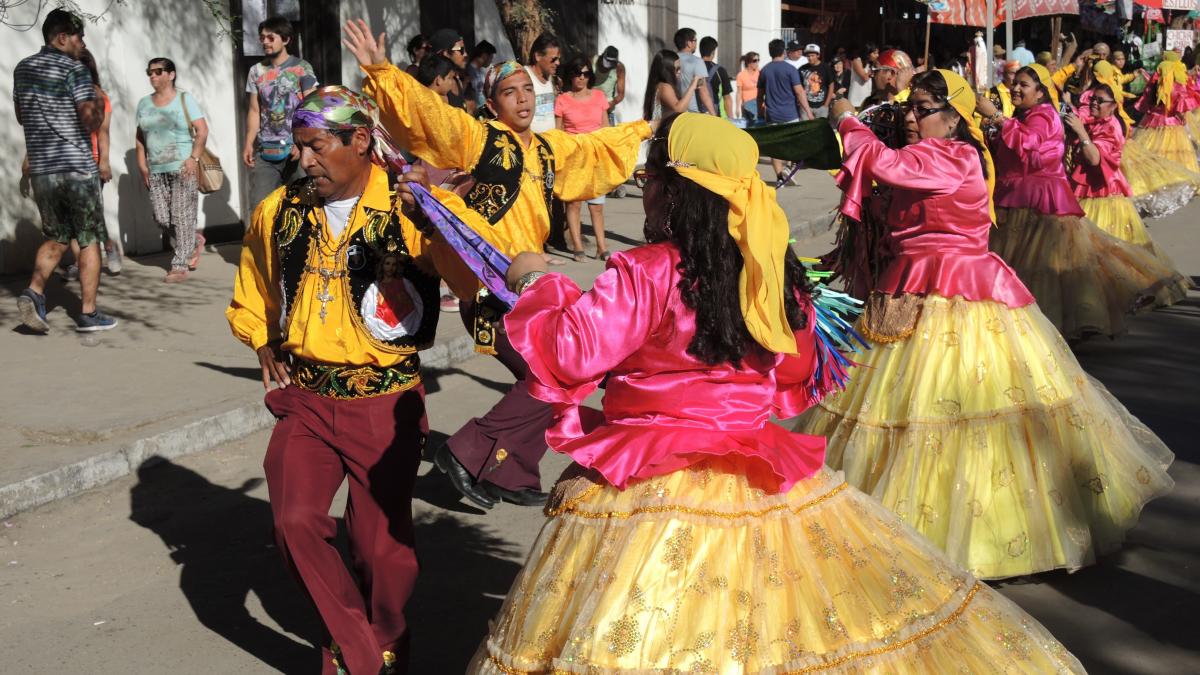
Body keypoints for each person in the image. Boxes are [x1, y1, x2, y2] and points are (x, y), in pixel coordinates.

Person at [466, 111, 1086, 674]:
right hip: (753, 465)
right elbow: (795, 374)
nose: (647, 188)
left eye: (653, 175)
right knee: (763, 624)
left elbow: (571, 350)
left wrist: (537, 283)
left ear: (678, 188)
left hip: (647, 473)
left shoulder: (648, 271)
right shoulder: (771, 273)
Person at [796, 71, 1174, 581]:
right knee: (930, 412)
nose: (911, 114)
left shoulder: (947, 155)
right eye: (909, 106)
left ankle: (988, 535)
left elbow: (880, 163)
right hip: (921, 284)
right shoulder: (945, 154)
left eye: (923, 107)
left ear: (953, 116)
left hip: (950, 292)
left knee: (953, 409)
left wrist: (844, 116)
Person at [227, 83, 490, 675]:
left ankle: (384, 635)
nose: (304, 160)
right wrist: (262, 334)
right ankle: (362, 652)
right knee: (294, 521)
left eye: (316, 146)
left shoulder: (409, 206)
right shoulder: (281, 210)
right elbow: (255, 278)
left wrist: (444, 215)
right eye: (299, 148)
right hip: (309, 398)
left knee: (379, 551)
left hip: (385, 399)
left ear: (360, 141)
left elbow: (472, 268)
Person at [344, 18, 652, 510]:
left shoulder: (549, 149)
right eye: (509, 93)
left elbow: (594, 150)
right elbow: (434, 118)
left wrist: (648, 128)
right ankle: (471, 453)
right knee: (558, 376)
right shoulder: (481, 139)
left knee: (555, 380)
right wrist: (381, 71)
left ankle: (508, 469)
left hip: (531, 288)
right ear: (492, 103)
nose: (522, 100)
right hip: (490, 288)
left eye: (527, 90)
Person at [977, 64, 1183, 340]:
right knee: (1042, 269)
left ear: (1040, 93)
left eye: (1023, 84)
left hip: (1036, 202)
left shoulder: (1041, 115)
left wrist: (998, 118)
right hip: (1020, 197)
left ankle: (1039, 327)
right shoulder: (1030, 114)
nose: (1015, 88)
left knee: (1042, 269)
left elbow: (1030, 145)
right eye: (1015, 83)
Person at [14, 8, 117, 334]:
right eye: (78, 36)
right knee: (88, 240)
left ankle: (34, 291)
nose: (82, 43)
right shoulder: (75, 70)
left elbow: (20, 115)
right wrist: (98, 103)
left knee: (57, 235)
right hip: (75, 168)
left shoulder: (23, 68)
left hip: (43, 170)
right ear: (61, 37)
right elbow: (90, 119)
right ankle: (87, 313)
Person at [1065, 81, 1189, 307]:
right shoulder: (1093, 122)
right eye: (1092, 98)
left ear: (1113, 106)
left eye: (1100, 101)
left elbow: (1094, 159)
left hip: (1106, 197)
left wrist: (1081, 133)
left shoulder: (1111, 126)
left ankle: (1137, 290)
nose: (1094, 102)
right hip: (1085, 193)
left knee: (1117, 251)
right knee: (1093, 253)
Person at [136, 58, 209, 283]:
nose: (153, 76)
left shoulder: (184, 99)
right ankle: (193, 242)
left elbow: (202, 130)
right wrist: (142, 164)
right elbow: (140, 137)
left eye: (158, 72)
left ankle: (179, 265)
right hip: (156, 169)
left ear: (171, 74)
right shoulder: (144, 103)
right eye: (150, 72)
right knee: (160, 218)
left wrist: (193, 159)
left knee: (181, 215)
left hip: (182, 167)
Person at [242, 15, 319, 210]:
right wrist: (249, 142)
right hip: (265, 150)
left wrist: (302, 142)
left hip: (297, 150)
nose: (265, 42)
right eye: (262, 38)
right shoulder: (256, 71)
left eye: (270, 37)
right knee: (260, 208)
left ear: (286, 39)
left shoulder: (302, 68)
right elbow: (254, 110)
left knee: (304, 206)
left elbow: (311, 107)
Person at [555, 59, 611, 261]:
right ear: (571, 75)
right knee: (574, 204)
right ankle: (578, 247)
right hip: (573, 158)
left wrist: (607, 155)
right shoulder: (563, 99)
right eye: (578, 73)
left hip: (595, 157)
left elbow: (605, 127)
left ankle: (601, 247)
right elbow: (558, 131)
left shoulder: (599, 96)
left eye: (586, 74)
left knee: (597, 206)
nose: (582, 77)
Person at [79, 49, 121, 275]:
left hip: (92, 161)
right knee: (77, 215)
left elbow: (104, 131)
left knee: (92, 213)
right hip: (68, 163)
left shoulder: (99, 95)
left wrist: (104, 162)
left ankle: (109, 246)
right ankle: (80, 261)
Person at [1132, 51, 1200, 174]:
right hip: (1173, 124)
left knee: (1151, 152)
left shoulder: (1155, 81)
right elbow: (1180, 104)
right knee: (1177, 156)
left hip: (1152, 121)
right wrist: (1182, 117)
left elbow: (1146, 101)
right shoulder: (1177, 82)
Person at [756, 39, 805, 183]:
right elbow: (800, 92)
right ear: (783, 51)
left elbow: (760, 95)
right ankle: (789, 170)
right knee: (794, 144)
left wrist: (760, 111)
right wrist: (807, 111)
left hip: (772, 115)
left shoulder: (765, 70)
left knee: (775, 147)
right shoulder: (790, 69)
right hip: (790, 114)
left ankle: (780, 178)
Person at [641, 49, 699, 121]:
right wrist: (693, 85)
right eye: (677, 69)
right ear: (667, 71)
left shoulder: (659, 85)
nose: (679, 72)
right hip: (662, 130)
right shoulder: (664, 87)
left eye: (680, 68)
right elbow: (679, 109)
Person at [673, 27, 717, 115]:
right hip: (692, 112)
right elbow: (703, 91)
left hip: (673, 111)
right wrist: (714, 115)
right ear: (689, 43)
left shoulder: (670, 60)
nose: (696, 44)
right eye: (695, 40)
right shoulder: (697, 62)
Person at [429, 28, 472, 111]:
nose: (465, 54)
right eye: (461, 50)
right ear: (445, 53)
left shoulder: (457, 80)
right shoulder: (438, 85)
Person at [525, 33, 560, 133]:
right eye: (553, 59)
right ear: (538, 56)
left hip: (550, 143)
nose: (558, 63)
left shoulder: (551, 78)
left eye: (558, 59)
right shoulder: (524, 77)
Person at [699, 36, 733, 118]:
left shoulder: (693, 67)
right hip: (716, 114)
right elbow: (727, 97)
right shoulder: (720, 70)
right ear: (713, 52)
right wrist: (731, 118)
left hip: (696, 114)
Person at [798, 43, 835, 119]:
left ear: (818, 55)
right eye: (808, 56)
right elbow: (799, 87)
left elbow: (831, 86)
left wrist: (826, 105)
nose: (810, 58)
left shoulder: (826, 68)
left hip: (821, 107)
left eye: (812, 55)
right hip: (806, 107)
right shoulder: (802, 69)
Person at [593, 45, 625, 125]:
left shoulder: (619, 68)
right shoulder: (592, 61)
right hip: (589, 108)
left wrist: (610, 104)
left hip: (607, 111)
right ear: (602, 56)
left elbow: (620, 95)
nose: (607, 67)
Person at [467, 40, 497, 110]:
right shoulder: (469, 71)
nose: (491, 61)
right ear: (484, 56)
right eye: (491, 58)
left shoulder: (480, 72)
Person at [848, 42, 878, 107]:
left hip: (866, 99)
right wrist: (873, 69)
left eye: (877, 53)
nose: (877, 55)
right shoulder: (856, 61)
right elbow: (865, 77)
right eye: (874, 53)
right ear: (867, 53)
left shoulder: (869, 64)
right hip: (856, 100)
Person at [736, 51, 760, 122]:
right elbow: (739, 92)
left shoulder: (760, 73)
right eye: (755, 60)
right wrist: (737, 107)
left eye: (758, 60)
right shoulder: (741, 75)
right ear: (749, 62)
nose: (757, 63)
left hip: (759, 105)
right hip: (747, 106)